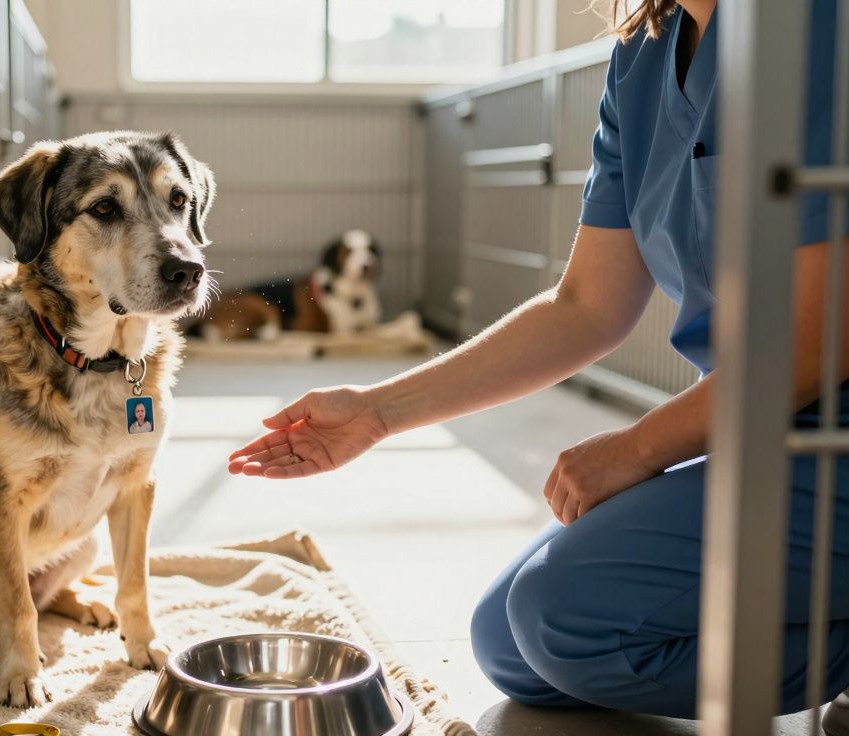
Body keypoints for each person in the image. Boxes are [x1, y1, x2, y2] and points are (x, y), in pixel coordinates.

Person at [228, 0, 849, 722]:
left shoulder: (814, 27)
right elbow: (586, 304)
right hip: (761, 435)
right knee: (511, 646)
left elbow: (814, 339)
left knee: (565, 621)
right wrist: (375, 411)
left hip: (828, 434)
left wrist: (640, 447)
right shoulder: (644, 57)